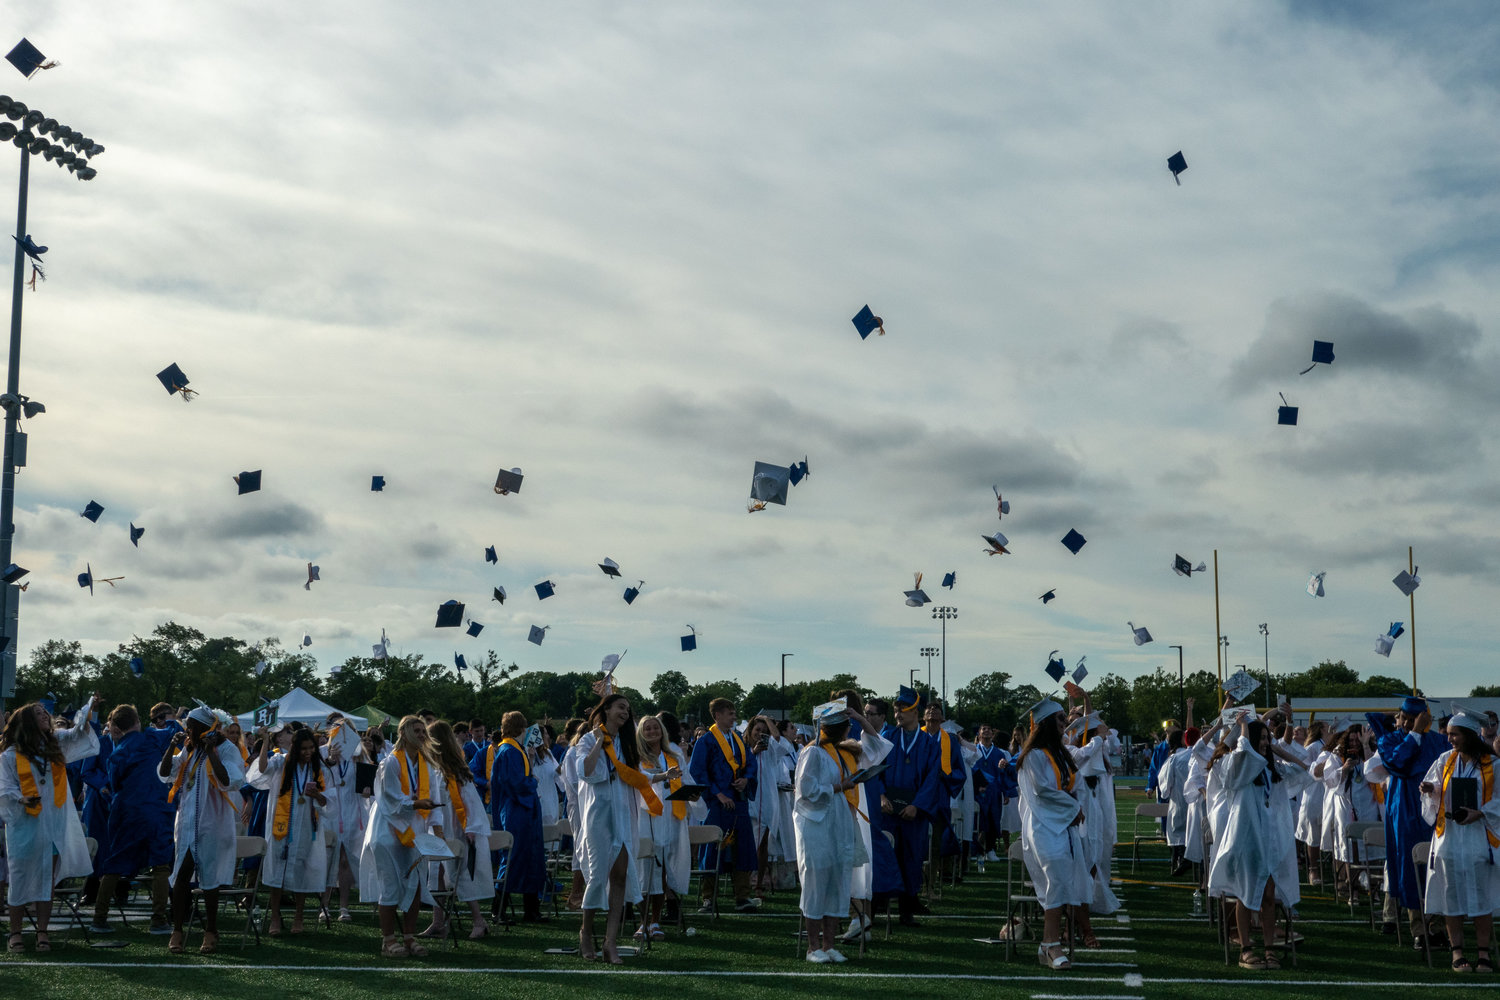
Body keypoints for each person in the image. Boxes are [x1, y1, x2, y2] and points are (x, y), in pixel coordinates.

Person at [0, 697, 99, 954]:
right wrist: (19, 797)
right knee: (20, 879)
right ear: (27, 722)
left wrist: (88, 707)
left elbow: (78, 732)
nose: (44, 714)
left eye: (44, 711)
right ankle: (15, 933)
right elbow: (4, 786)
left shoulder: (55, 747)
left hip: (53, 826)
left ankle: (42, 932)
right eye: (38, 713)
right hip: (25, 825)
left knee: (47, 881)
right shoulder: (11, 755)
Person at [796, 699, 890, 963]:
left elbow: (878, 748)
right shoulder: (813, 752)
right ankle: (812, 947)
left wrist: (861, 719)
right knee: (816, 885)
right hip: (816, 827)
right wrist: (840, 786)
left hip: (840, 823)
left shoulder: (843, 751)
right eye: (847, 725)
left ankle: (828, 945)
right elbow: (806, 792)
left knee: (837, 885)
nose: (850, 729)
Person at [575, 693, 656, 964]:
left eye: (628, 709)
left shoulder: (627, 742)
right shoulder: (588, 739)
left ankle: (611, 942)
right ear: (607, 709)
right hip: (599, 816)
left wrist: (661, 777)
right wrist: (599, 741)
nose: (625, 711)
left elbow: (634, 775)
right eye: (621, 707)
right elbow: (585, 772)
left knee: (620, 876)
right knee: (598, 877)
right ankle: (586, 932)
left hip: (623, 815)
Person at [158, 704, 245, 955]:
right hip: (186, 822)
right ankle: (177, 930)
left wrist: (212, 751)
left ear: (208, 730)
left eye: (193, 729)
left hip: (213, 823)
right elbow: (165, 772)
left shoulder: (227, 749)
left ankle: (211, 929)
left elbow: (228, 781)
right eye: (187, 728)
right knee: (182, 874)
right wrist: (173, 747)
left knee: (210, 879)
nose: (188, 733)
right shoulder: (189, 750)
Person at [1418, 711, 1498, 973]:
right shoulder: (1444, 760)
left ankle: (1483, 953)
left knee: (1481, 894)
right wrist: (1429, 789)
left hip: (1478, 837)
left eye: (1454, 734)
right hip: (1450, 837)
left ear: (1470, 735)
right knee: (1451, 894)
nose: (1449, 738)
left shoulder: (1494, 765)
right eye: (1449, 733)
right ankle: (1458, 953)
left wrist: (1482, 812)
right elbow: (1435, 785)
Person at [358, 715, 442, 958]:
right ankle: (387, 940)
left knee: (415, 885)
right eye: (416, 731)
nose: (421, 735)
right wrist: (416, 804)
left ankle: (408, 937)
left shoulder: (426, 764)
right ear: (404, 734)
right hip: (387, 831)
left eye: (423, 731)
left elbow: (435, 802)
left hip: (414, 832)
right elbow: (390, 799)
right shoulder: (391, 763)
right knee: (391, 885)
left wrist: (438, 832)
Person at [1367, 696, 1448, 947]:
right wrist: (1413, 732)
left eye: (1414, 719)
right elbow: (1399, 764)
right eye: (1405, 718)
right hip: (1403, 808)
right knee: (1409, 863)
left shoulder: (1438, 741)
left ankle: (1435, 925)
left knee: (1436, 863)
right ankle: (1419, 929)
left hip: (1434, 808)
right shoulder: (1390, 739)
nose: (1407, 723)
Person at [90, 704, 176, 935]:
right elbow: (174, 728)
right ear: (137, 721)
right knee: (160, 864)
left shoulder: (116, 752)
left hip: (127, 810)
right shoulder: (150, 737)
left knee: (115, 862)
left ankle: (99, 917)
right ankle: (158, 920)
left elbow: (115, 783)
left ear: (116, 727)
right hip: (157, 808)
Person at [1017, 698, 1088, 971]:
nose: (1065, 723)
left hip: (1062, 825)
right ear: (1046, 723)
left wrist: (1074, 804)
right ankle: (1051, 944)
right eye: (1060, 719)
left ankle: (1049, 944)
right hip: (1043, 826)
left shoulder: (1059, 753)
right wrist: (1072, 806)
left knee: (1061, 881)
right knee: (1055, 879)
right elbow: (1042, 792)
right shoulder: (1034, 756)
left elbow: (1074, 782)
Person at [249, 726, 330, 935]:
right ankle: (275, 917)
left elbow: (328, 802)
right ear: (295, 748)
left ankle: (299, 916)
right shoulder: (280, 762)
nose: (308, 752)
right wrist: (266, 740)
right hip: (281, 826)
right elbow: (261, 769)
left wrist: (316, 796)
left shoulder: (317, 769)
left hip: (306, 827)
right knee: (277, 869)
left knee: (302, 869)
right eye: (304, 748)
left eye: (311, 747)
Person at [878, 686, 945, 927]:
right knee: (886, 856)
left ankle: (907, 910)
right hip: (888, 811)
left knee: (911, 859)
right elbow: (876, 773)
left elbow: (931, 779)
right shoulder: (887, 738)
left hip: (913, 813)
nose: (897, 715)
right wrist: (882, 797)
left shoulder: (928, 743)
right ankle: (878, 907)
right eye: (896, 710)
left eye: (902, 710)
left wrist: (917, 806)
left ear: (914, 711)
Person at [422, 720, 493, 940]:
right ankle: (438, 921)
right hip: (438, 829)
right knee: (436, 875)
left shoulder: (457, 771)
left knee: (461, 876)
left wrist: (471, 828)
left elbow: (471, 803)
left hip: (457, 830)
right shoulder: (431, 768)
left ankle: (479, 921)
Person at [689, 697, 759, 912]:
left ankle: (743, 897)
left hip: (739, 801)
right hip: (717, 804)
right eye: (730, 713)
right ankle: (709, 898)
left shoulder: (738, 739)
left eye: (734, 712)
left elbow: (751, 763)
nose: (734, 716)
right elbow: (697, 771)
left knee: (744, 847)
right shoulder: (706, 741)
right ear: (717, 715)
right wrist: (718, 794)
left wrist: (746, 779)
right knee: (712, 848)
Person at [635, 713, 689, 942]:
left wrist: (693, 792)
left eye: (655, 728)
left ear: (662, 731)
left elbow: (687, 781)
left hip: (671, 817)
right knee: (643, 870)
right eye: (647, 729)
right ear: (640, 733)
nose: (652, 732)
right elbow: (639, 779)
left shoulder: (674, 755)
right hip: (645, 817)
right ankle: (642, 922)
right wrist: (663, 777)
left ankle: (655, 921)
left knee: (663, 868)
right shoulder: (635, 756)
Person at [491, 711, 546, 923]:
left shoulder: (516, 749)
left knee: (531, 858)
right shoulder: (509, 751)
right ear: (521, 728)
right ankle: (499, 909)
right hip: (517, 811)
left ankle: (531, 910)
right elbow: (516, 784)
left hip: (525, 811)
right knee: (513, 858)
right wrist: (532, 781)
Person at [320, 716, 367, 922]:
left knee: (345, 859)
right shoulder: (322, 753)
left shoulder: (359, 755)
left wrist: (367, 790)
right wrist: (330, 761)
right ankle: (324, 906)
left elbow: (368, 783)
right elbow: (319, 779)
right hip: (329, 811)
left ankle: (344, 907)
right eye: (338, 732)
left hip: (352, 811)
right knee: (328, 858)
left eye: (346, 732)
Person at [1156, 729, 1190, 874]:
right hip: (1195, 800)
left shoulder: (1174, 758)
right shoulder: (1195, 754)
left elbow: (1165, 785)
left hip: (1178, 800)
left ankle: (1180, 858)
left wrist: (1166, 791)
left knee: (1177, 831)